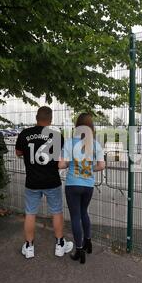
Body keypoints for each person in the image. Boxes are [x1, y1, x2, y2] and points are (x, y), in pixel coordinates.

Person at [15, 106, 73, 259]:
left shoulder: (24, 134)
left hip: (32, 181)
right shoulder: (56, 135)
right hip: (52, 180)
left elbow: (18, 153)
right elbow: (57, 157)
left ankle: (29, 247)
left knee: (30, 213)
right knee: (56, 212)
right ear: (51, 119)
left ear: (36, 117)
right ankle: (60, 244)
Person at [58, 113, 105, 264]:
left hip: (73, 184)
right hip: (88, 186)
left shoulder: (70, 143)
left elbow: (61, 165)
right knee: (84, 212)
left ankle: (79, 250)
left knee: (75, 217)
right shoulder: (96, 145)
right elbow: (101, 166)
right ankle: (88, 242)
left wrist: (70, 164)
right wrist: (89, 169)